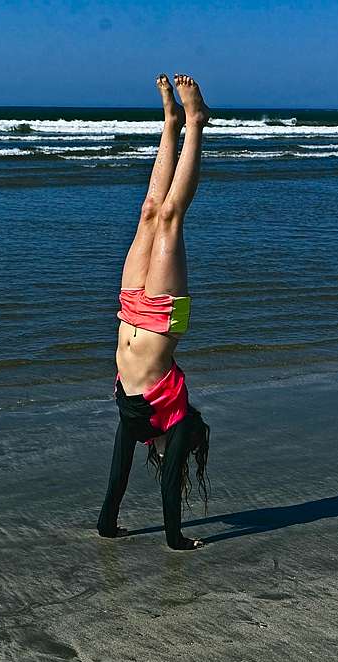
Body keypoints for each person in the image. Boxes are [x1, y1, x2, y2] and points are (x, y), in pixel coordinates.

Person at [97, 73, 211, 551]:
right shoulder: (177, 422)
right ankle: (198, 123)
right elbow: (169, 488)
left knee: (148, 210)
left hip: (129, 310)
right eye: (173, 458)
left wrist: (107, 524)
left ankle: (169, 121)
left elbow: (117, 469)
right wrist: (175, 539)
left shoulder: (134, 422)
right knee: (170, 217)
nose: (167, 458)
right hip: (164, 318)